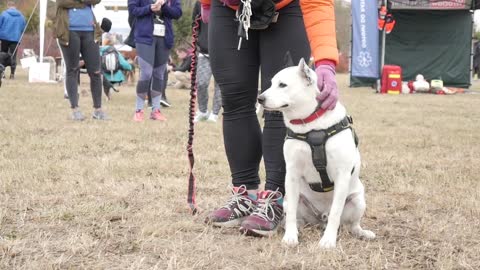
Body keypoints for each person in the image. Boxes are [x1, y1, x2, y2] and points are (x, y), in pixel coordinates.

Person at [201, 0, 339, 236]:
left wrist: (326, 62)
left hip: (287, 8)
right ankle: (244, 195)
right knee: (234, 99)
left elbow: (317, 4)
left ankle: (275, 198)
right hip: (229, 8)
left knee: (279, 104)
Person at [128, 0, 182, 122]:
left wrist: (163, 6)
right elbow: (133, 10)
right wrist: (149, 8)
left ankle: (156, 110)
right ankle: (139, 110)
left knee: (159, 73)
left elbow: (177, 13)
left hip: (164, 38)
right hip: (144, 38)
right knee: (146, 73)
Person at [55, 0, 109, 121]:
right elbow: (61, 2)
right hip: (69, 31)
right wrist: (84, 2)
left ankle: (98, 110)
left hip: (90, 31)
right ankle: (75, 110)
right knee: (72, 70)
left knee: (95, 72)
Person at [192, 0, 222, 123]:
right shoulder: (199, 3)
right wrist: (198, 42)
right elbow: (194, 25)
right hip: (204, 51)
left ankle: (215, 113)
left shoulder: (225, 3)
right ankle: (203, 111)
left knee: (219, 85)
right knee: (201, 83)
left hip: (222, 51)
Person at [100, 33, 133, 100]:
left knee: (103, 78)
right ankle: (110, 91)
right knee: (114, 77)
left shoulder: (100, 50)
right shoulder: (115, 51)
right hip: (116, 77)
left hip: (103, 77)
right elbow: (125, 64)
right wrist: (130, 67)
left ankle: (107, 94)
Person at [0, 1, 26, 80]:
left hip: (4, 38)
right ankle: (12, 74)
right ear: (15, 6)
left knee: (2, 56)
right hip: (15, 38)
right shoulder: (21, 16)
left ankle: (2, 74)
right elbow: (23, 27)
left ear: (8, 6)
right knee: (13, 56)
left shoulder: (3, 14)